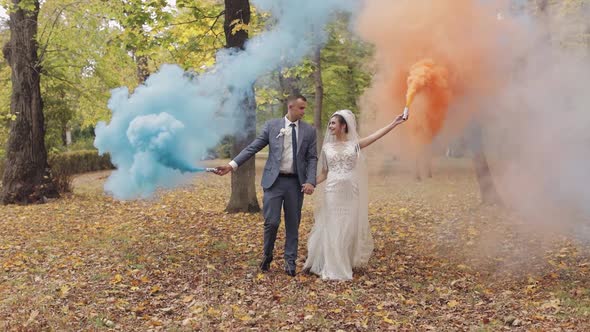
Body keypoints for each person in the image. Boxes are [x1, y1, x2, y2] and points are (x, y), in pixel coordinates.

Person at [215, 95, 318, 277]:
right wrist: (231, 165)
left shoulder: (309, 131)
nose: (303, 112)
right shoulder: (272, 126)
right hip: (274, 182)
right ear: (291, 106)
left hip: (296, 184)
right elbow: (253, 147)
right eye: (301, 108)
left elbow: (312, 158)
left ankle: (290, 261)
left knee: (293, 224)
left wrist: (310, 181)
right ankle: (267, 255)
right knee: (271, 222)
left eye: (305, 108)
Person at [303, 109, 406, 280]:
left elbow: (376, 136)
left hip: (350, 193)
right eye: (329, 123)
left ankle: (344, 261)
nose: (330, 126)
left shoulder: (354, 145)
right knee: (333, 228)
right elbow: (324, 173)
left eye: (333, 123)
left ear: (344, 126)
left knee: (347, 229)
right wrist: (311, 184)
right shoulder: (327, 148)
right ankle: (333, 267)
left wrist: (394, 123)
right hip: (333, 192)